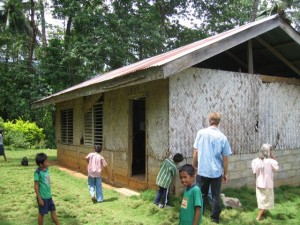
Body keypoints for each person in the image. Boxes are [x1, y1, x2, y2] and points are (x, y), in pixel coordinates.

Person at [192, 112, 232, 224]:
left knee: (201, 194)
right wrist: (225, 173)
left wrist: (194, 166)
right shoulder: (223, 137)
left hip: (202, 170)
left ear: (209, 121)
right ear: (219, 122)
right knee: (215, 195)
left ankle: (200, 214)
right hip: (216, 172)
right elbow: (225, 158)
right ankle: (214, 218)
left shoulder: (201, 133)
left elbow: (196, 151)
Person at [251, 144, 279, 221]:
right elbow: (276, 166)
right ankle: (258, 217)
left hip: (259, 183)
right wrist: (272, 155)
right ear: (268, 152)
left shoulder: (255, 161)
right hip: (267, 184)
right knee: (266, 201)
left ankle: (262, 214)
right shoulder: (270, 161)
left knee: (261, 200)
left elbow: (254, 172)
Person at [34, 153, 60, 225]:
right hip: (43, 197)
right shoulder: (37, 172)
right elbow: (36, 186)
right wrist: (39, 199)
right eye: (46, 162)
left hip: (49, 196)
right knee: (42, 214)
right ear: (40, 164)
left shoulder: (46, 169)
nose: (48, 162)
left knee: (53, 212)